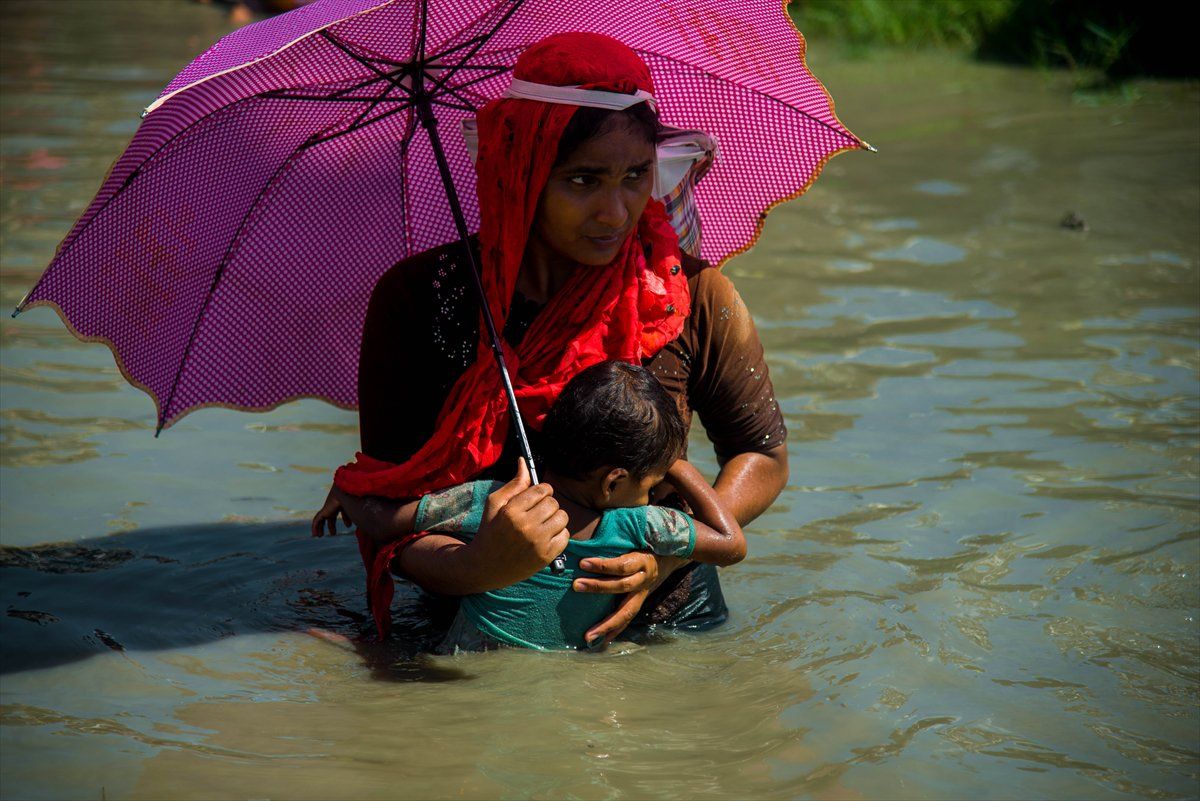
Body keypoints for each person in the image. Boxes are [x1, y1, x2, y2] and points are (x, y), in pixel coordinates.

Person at [312, 31, 788, 647]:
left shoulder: (688, 296)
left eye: (635, 176)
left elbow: (763, 456)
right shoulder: (419, 298)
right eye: (583, 180)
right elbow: (387, 506)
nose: (615, 212)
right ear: (521, 173)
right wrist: (477, 566)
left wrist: (662, 558)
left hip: (667, 624)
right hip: (479, 623)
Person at [334, 361, 746, 652]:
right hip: (573, 673)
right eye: (652, 483)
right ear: (613, 481)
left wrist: (346, 489)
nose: (652, 493)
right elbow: (731, 543)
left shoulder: (493, 502)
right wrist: (679, 468)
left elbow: (385, 523)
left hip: (467, 668)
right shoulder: (642, 526)